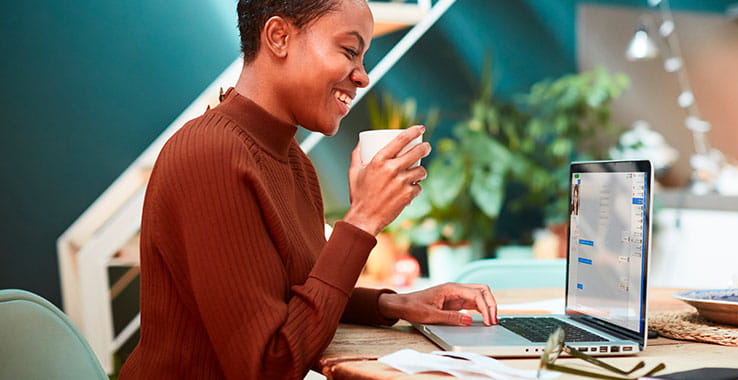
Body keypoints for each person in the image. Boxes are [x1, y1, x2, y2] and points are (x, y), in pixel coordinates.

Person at [119, 0, 498, 379]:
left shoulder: (294, 160)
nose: (363, 76)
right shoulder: (211, 155)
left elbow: (294, 294)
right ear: (279, 37)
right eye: (350, 51)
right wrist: (363, 220)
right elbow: (268, 366)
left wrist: (395, 304)